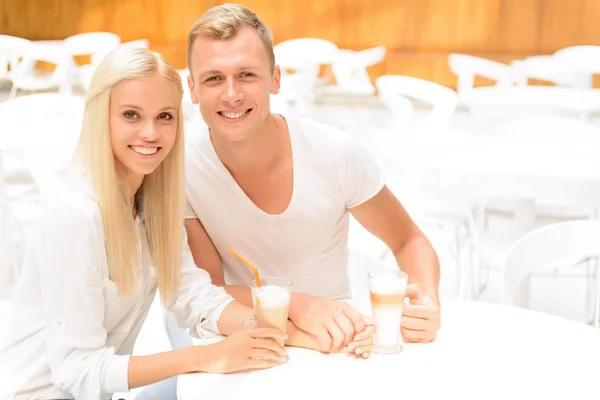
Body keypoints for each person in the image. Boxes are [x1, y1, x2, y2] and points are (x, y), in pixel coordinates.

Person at [0, 47, 373, 400]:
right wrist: (208, 357)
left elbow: (194, 295)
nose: (151, 132)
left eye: (165, 116)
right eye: (131, 115)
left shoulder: (152, 205)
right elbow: (76, 370)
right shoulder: (76, 218)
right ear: (101, 117)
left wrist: (295, 335)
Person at [183, 3, 441, 355]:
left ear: (275, 80)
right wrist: (299, 305)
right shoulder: (182, 171)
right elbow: (208, 287)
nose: (231, 94)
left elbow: (409, 240)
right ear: (193, 89)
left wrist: (426, 302)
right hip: (243, 341)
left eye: (247, 75)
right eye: (214, 78)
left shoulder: (337, 154)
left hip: (338, 343)